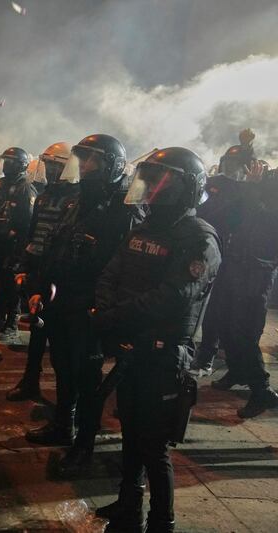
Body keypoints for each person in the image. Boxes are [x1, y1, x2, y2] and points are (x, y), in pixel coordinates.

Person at [92, 147, 221, 532]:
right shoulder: (144, 228)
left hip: (164, 354)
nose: (151, 187)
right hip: (132, 345)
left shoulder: (198, 238)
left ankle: (161, 521)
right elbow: (109, 275)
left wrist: (112, 316)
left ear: (183, 187)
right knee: (130, 429)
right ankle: (128, 504)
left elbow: (173, 297)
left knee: (154, 444)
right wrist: (105, 311)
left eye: (161, 179)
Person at [25, 134, 142, 477]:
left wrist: (106, 311)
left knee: (88, 379)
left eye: (92, 159)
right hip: (64, 300)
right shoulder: (79, 200)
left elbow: (126, 268)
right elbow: (58, 246)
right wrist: (42, 288)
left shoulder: (124, 208)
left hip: (92, 306)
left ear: (112, 164)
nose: (85, 166)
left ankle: (84, 446)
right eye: (83, 159)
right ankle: (63, 425)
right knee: (63, 367)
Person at [7, 142, 77, 401]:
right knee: (36, 330)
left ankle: (65, 401)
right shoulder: (46, 195)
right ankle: (29, 381)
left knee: (58, 339)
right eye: (49, 165)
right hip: (38, 268)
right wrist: (24, 264)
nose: (51, 171)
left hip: (59, 274)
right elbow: (33, 233)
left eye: (56, 166)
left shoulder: (77, 198)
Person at [210, 163, 278, 418]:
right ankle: (237, 370)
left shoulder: (266, 202)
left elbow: (261, 221)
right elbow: (231, 216)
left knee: (244, 332)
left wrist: (251, 188)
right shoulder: (256, 194)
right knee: (224, 324)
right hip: (236, 266)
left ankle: (262, 391)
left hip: (256, 273)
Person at [190, 143, 253, 376]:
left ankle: (207, 356)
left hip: (229, 257)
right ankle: (195, 351)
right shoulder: (213, 184)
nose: (231, 168)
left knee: (215, 309)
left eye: (237, 164)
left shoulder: (248, 192)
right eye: (229, 163)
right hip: (203, 248)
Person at [0, 146, 36, 344]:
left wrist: (17, 240)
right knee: (0, 278)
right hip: (0, 242)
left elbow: (28, 220)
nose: (6, 166)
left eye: (10, 162)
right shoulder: (3, 184)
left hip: (14, 244)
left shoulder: (25, 188)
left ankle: (12, 324)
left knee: (12, 284)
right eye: (5, 161)